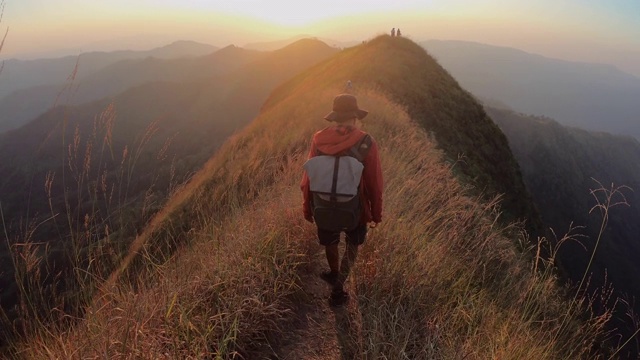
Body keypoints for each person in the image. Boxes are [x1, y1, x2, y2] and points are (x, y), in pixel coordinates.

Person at [301, 94, 384, 306]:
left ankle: (334, 271)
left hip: (323, 205)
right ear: (355, 117)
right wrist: (375, 213)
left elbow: (307, 180)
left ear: (335, 117)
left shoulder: (318, 139)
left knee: (330, 241)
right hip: (356, 209)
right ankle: (340, 285)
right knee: (353, 244)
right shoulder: (366, 142)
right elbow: (374, 182)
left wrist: (307, 209)